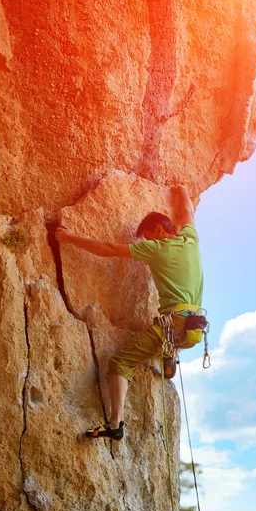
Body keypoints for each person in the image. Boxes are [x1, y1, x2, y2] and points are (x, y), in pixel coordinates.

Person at [55, 185, 203, 441]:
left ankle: (115, 424)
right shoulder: (190, 240)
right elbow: (187, 213)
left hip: (173, 323)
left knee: (121, 361)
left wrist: (69, 238)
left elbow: (109, 249)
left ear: (158, 231)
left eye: (148, 237)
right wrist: (181, 191)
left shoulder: (157, 249)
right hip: (195, 328)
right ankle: (168, 352)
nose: (147, 242)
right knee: (157, 341)